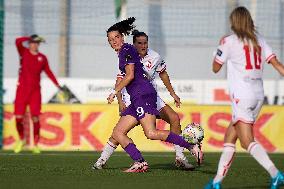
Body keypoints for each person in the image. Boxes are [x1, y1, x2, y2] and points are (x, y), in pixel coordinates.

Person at [104, 17, 202, 172]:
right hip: (137, 97)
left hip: (143, 95)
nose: (114, 41)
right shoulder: (127, 51)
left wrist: (113, 92)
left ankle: (189, 145)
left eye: (116, 37)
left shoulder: (128, 51)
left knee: (151, 132)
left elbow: (129, 76)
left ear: (122, 37)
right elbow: (124, 77)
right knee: (118, 132)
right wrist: (120, 99)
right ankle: (138, 162)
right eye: (111, 39)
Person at [204, 7, 284, 189]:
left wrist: (218, 49)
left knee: (247, 140)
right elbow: (277, 64)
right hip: (258, 95)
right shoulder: (260, 42)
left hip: (242, 95)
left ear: (234, 22)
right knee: (229, 138)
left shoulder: (228, 41)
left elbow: (215, 68)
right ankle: (216, 182)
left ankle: (275, 174)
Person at [14, 34, 62, 154]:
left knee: (35, 118)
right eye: (33, 42)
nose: (35, 45)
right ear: (29, 43)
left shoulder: (42, 58)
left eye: (37, 43)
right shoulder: (23, 52)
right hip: (22, 91)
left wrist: (57, 84)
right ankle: (21, 139)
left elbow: (48, 71)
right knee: (18, 117)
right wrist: (29, 37)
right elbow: (17, 41)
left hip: (35, 92)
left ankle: (35, 144)